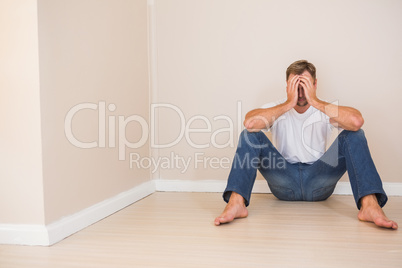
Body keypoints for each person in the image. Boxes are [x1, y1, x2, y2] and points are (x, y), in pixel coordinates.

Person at [214, 60, 398, 229]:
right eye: (296, 86)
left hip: (320, 181)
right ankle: (236, 203)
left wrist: (315, 101)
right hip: (283, 181)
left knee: (354, 135)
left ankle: (369, 206)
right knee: (249, 135)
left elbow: (356, 122)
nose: (300, 93)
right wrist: (288, 103)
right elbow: (250, 124)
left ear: (315, 85)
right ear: (287, 86)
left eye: (305, 86)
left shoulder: (325, 108)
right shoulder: (277, 107)